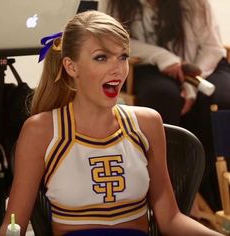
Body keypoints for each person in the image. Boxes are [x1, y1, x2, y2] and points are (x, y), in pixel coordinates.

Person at [0, 10, 223, 236]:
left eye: (123, 56)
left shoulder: (147, 124)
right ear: (71, 66)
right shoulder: (41, 130)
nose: (118, 69)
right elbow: (13, 224)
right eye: (101, 57)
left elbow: (171, 219)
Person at [98, 0, 230, 212]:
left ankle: (206, 187)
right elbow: (110, 39)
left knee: (223, 99)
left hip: (202, 66)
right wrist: (161, 56)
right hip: (147, 64)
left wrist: (192, 83)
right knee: (162, 97)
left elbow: (212, 48)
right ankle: (173, 188)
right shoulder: (112, 3)